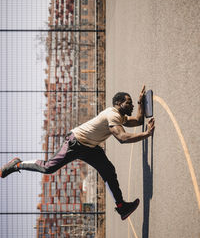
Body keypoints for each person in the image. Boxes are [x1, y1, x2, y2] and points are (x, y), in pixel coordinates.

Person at [0, 85, 155, 220]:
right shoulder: (113, 114)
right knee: (48, 168)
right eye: (129, 102)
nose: (132, 104)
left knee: (108, 171)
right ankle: (17, 164)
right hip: (75, 142)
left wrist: (141, 101)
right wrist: (146, 134)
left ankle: (121, 207)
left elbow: (139, 120)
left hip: (90, 147)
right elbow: (122, 137)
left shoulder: (119, 115)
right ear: (118, 103)